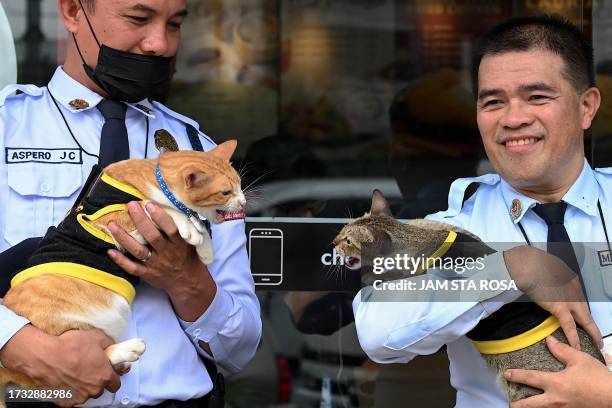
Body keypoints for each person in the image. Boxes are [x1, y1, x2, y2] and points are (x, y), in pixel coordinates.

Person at [0, 0, 261, 407]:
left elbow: (240, 347)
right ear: (71, 11)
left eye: (174, 24)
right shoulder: (7, 130)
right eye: (138, 19)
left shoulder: (202, 156)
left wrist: (187, 281)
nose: (159, 43)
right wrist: (19, 345)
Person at [353, 14, 612, 407]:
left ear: (586, 107)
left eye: (537, 97)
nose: (513, 118)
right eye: (493, 101)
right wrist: (510, 269)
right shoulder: (451, 225)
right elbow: (377, 332)